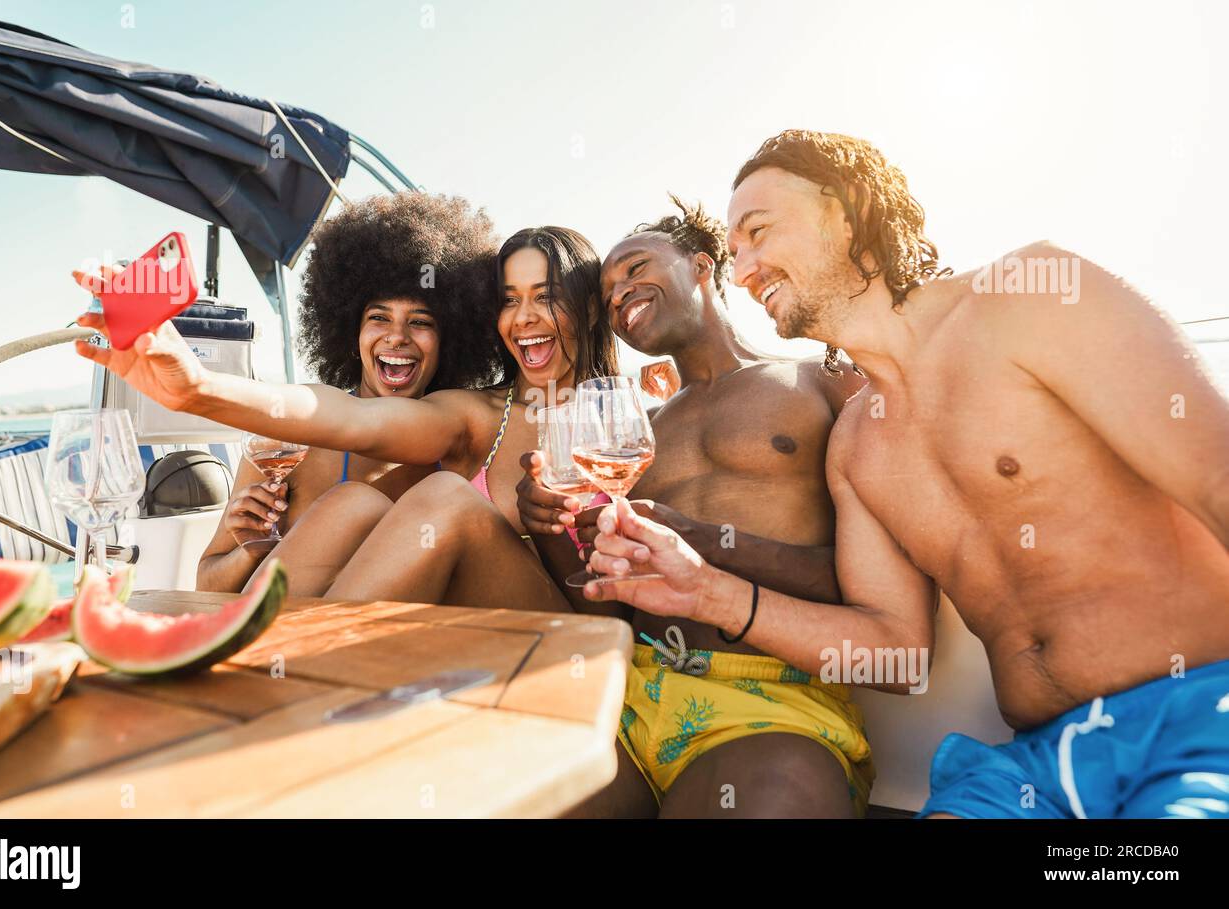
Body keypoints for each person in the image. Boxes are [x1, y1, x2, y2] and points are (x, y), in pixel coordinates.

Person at [583, 129, 1229, 819]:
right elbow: (896, 654)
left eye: (760, 231)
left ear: (848, 207)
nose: (743, 270)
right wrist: (705, 591)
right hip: (1032, 763)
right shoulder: (857, 446)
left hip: (1199, 712)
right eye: (735, 251)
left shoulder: (1030, 298)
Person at [516, 196, 874, 817]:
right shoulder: (633, 430)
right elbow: (611, 609)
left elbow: (873, 590)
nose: (619, 295)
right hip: (627, 697)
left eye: (634, 269)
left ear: (703, 266)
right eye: (606, 296)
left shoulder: (823, 380)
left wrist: (701, 539)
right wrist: (547, 524)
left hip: (769, 703)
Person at [75, 226, 620, 611]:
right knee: (357, 502)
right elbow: (350, 418)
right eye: (509, 300)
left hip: (546, 635)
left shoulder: (628, 426)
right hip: (422, 642)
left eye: (545, 298)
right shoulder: (473, 416)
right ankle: (262, 675)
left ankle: (261, 676)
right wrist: (199, 388)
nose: (524, 317)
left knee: (441, 500)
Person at [193, 192, 503, 595]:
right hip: (295, 647)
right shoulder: (292, 444)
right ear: (349, 333)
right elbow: (205, 586)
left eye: (420, 321)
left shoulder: (464, 444)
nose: (397, 336)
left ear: (450, 339)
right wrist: (252, 549)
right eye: (379, 317)